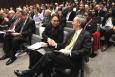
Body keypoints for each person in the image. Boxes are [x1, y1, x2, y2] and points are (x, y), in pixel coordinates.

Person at [14, 15, 92, 77]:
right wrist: (56, 45)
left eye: (73, 21)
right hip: (63, 54)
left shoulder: (86, 35)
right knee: (48, 60)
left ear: (78, 23)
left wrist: (70, 52)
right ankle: (40, 74)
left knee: (49, 55)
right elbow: (64, 45)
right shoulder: (72, 32)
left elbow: (86, 51)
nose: (72, 23)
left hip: (72, 59)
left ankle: (30, 73)